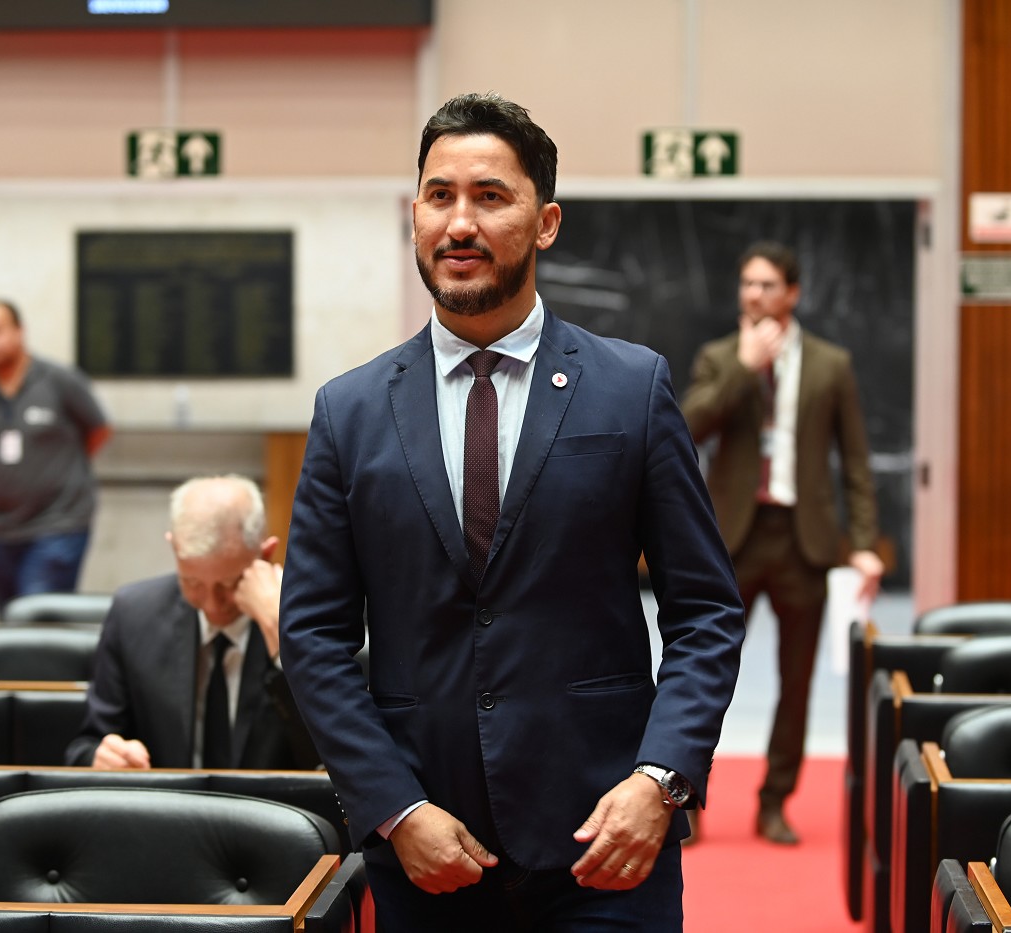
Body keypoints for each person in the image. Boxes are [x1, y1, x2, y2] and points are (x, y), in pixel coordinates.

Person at [279, 92, 746, 933]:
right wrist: (392, 807)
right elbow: (313, 634)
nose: (460, 223)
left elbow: (706, 610)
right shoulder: (349, 411)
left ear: (546, 222)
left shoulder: (630, 389)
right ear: (415, 216)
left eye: (490, 196)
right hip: (427, 852)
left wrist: (660, 782)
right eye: (439, 196)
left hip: (607, 843)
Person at [680, 240, 885, 845]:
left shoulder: (831, 364)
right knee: (706, 672)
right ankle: (688, 797)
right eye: (747, 283)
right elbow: (685, 427)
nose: (754, 294)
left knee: (795, 683)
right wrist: (744, 368)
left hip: (803, 540)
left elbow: (856, 461)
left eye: (767, 285)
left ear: (792, 293)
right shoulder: (720, 357)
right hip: (732, 539)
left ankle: (774, 801)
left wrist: (864, 541)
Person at [65, 474, 319, 771]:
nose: (212, 605)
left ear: (265, 554)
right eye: (193, 582)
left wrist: (281, 638)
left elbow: (328, 756)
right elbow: (85, 745)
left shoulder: (307, 618)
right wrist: (103, 757)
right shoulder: (133, 615)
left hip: (272, 801)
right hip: (169, 800)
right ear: (174, 548)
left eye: (228, 583)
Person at [0, 299, 112, 616]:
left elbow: (99, 430)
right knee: (8, 619)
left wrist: (64, 467)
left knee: (33, 618)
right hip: (0, 530)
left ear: (20, 331)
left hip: (58, 523)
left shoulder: (59, 380)